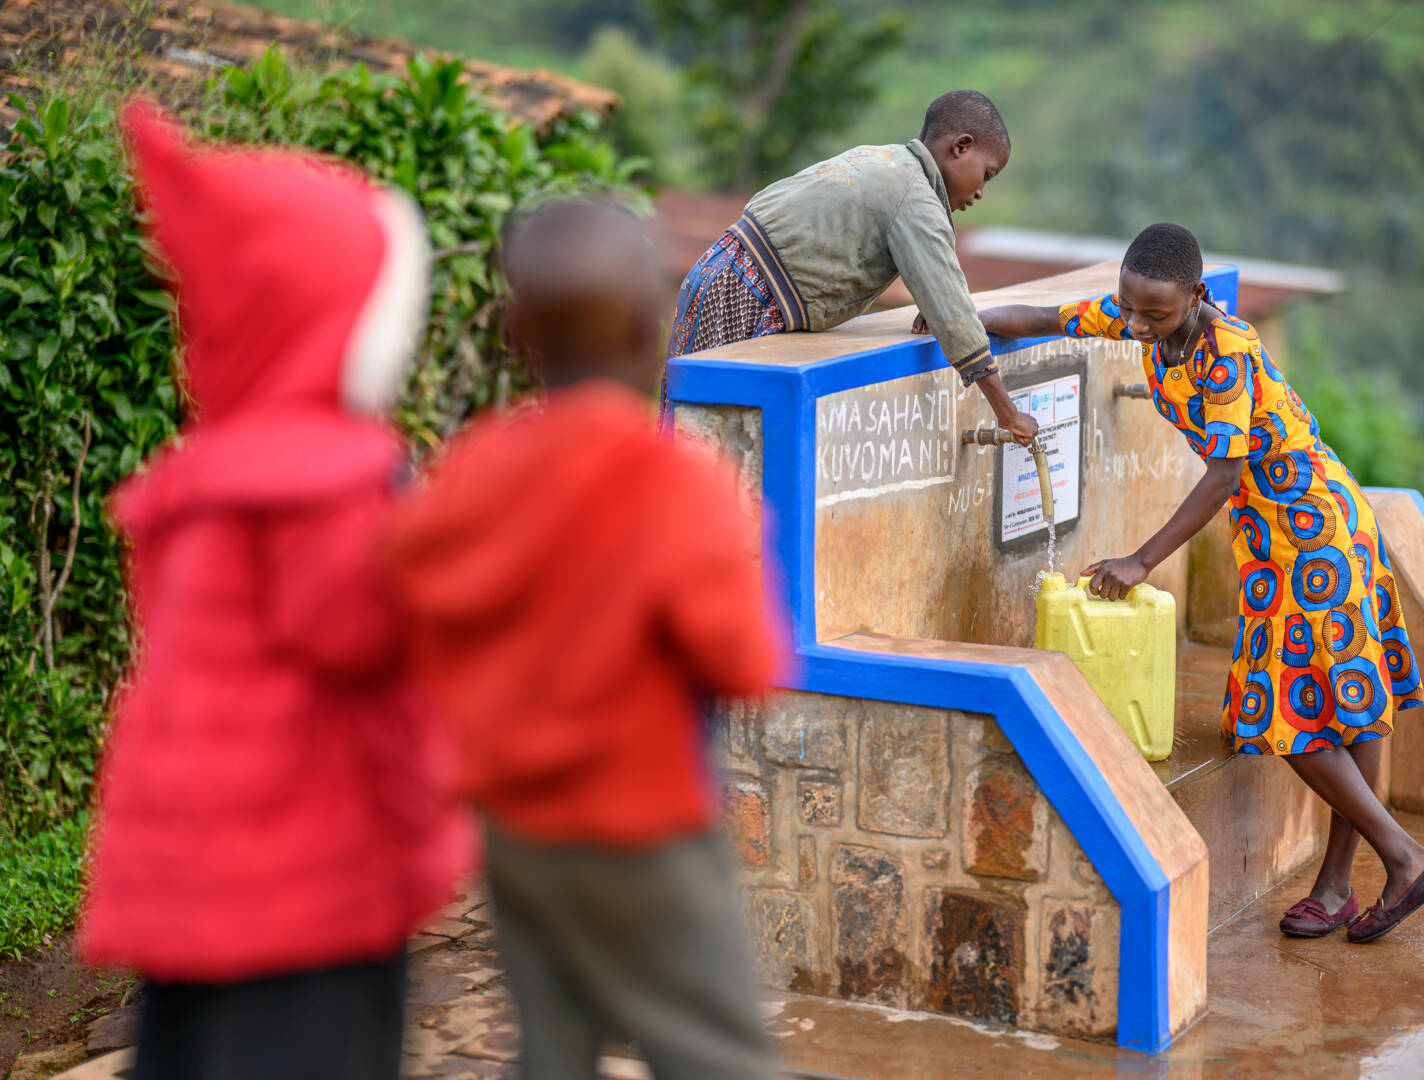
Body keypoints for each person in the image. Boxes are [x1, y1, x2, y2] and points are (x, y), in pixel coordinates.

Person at [78, 103, 471, 1080]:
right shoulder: (323, 482)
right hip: (305, 884)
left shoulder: (203, 477)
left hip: (197, 883)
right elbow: (365, 635)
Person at [382, 199, 792, 1080]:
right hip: (646, 832)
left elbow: (407, 605)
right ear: (652, 332)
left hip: (517, 834)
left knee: (554, 1048)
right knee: (717, 1053)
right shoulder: (674, 485)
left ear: (520, 328)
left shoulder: (473, 468)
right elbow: (748, 664)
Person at [971, 223, 1424, 943]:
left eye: (1153, 314)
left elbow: (1224, 474)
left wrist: (1141, 558)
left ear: (1196, 295)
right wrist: (961, 322)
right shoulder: (1144, 319)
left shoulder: (1226, 354)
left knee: (1288, 713)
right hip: (1293, 532)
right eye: (1129, 310)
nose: (1135, 324)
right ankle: (1338, 885)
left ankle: (1405, 857)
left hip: (1312, 537)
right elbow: (1043, 318)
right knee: (1347, 697)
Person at [668, 89, 1039, 445]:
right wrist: (1008, 415)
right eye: (986, 175)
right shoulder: (916, 198)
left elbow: (934, 283)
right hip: (744, 294)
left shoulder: (886, 159)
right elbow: (956, 316)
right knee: (707, 442)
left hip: (721, 271)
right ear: (962, 147)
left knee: (689, 430)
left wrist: (932, 305)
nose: (980, 193)